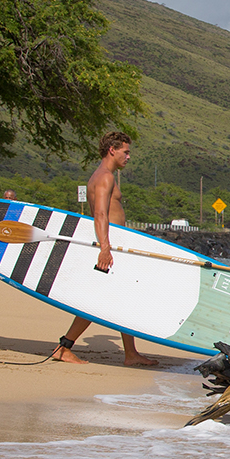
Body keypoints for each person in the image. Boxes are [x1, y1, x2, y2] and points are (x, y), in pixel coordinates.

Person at [52, 131, 158, 366]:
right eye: (126, 151)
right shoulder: (105, 177)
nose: (128, 157)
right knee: (95, 300)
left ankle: (130, 354)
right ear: (112, 150)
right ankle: (64, 346)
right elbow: (100, 214)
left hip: (114, 245)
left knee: (122, 297)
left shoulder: (104, 176)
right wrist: (105, 249)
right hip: (108, 247)